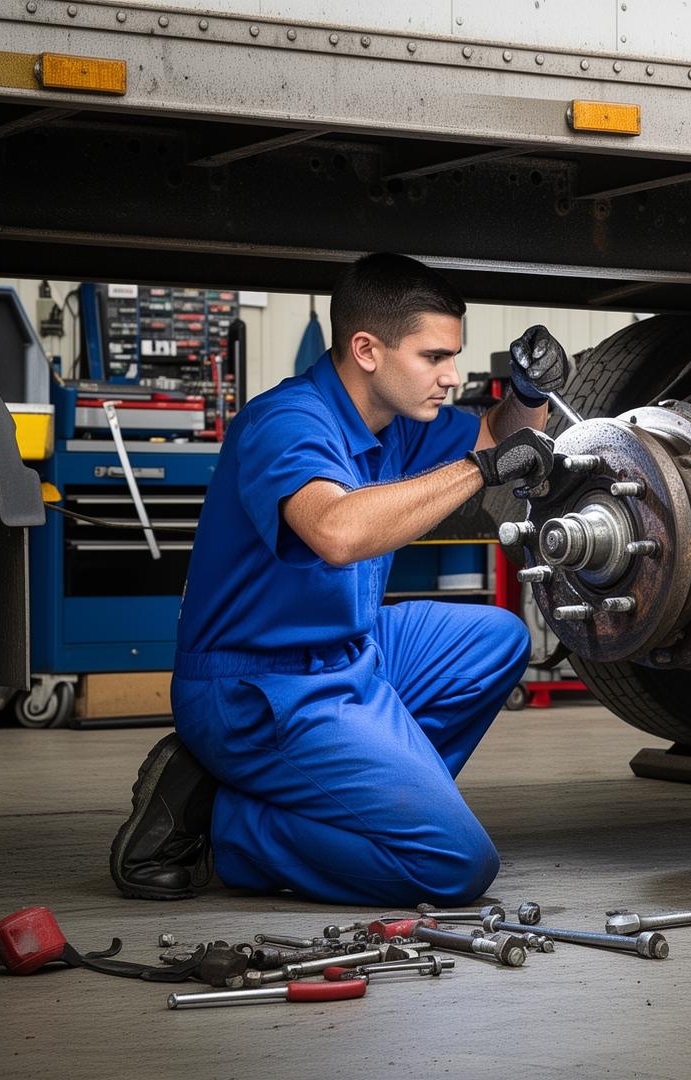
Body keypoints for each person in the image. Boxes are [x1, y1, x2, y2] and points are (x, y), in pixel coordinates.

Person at [108, 253, 567, 905]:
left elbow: (497, 434)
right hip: (260, 688)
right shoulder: (287, 423)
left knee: (497, 639)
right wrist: (480, 470)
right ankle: (227, 820)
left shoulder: (395, 422)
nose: (450, 376)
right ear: (367, 350)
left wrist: (527, 395)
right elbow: (338, 532)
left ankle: (353, 805)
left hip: (351, 653)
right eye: (433, 357)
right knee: (455, 865)